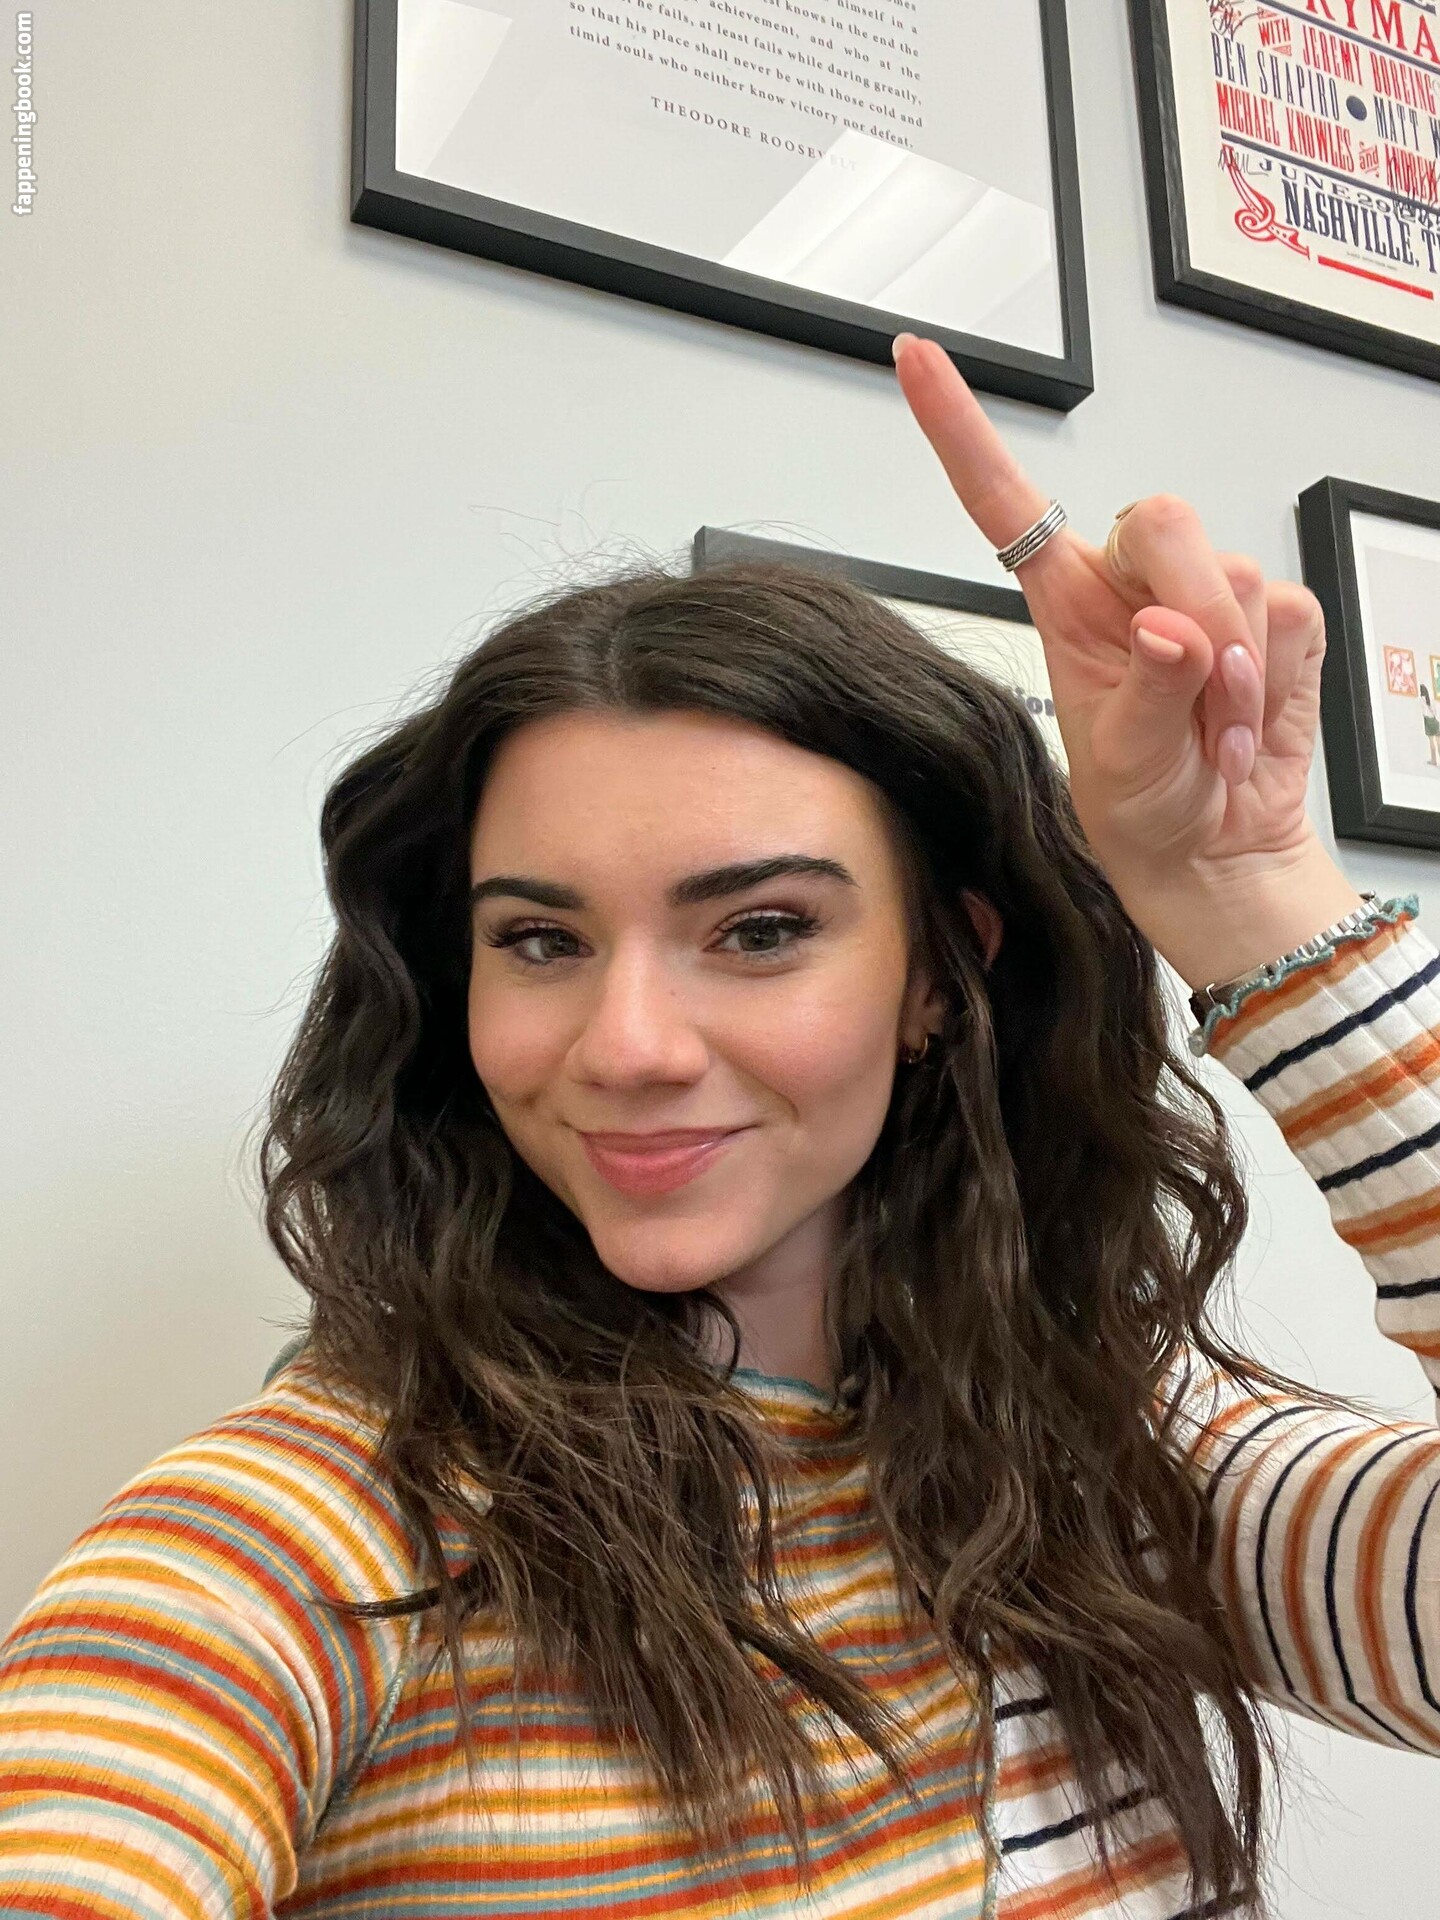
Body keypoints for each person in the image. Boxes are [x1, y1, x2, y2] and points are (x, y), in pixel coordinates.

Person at [1, 335, 1436, 1920]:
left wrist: (1250, 895)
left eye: (759, 931)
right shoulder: (302, 1536)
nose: (627, 1048)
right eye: (540, 940)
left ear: (938, 981)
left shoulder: (1108, 1457)